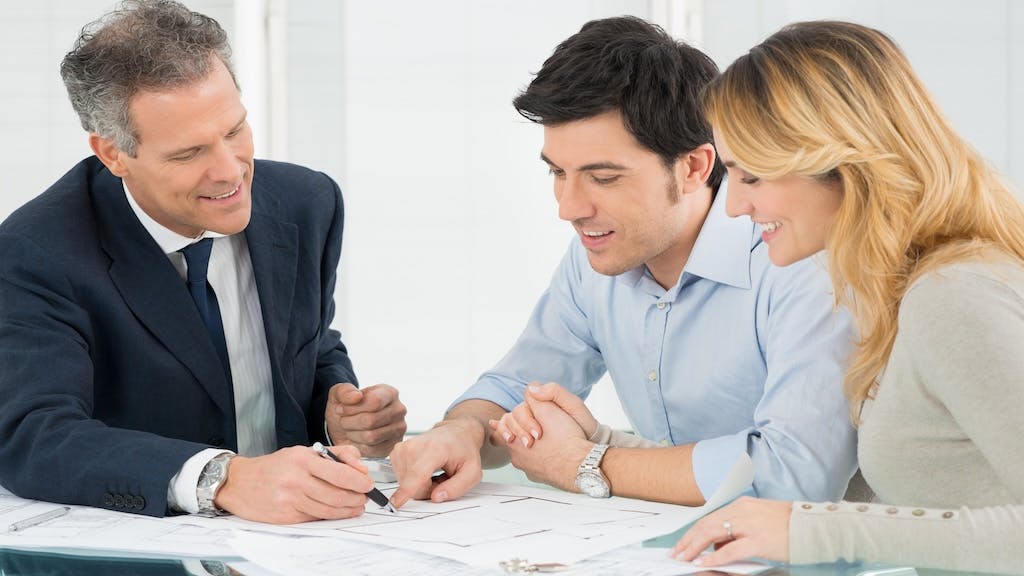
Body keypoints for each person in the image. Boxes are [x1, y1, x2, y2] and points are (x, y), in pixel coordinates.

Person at [389, 16, 857, 509]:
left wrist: (584, 463)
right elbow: (513, 387)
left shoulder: (799, 260)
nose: (569, 208)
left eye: (604, 178)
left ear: (695, 167)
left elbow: (794, 476)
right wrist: (460, 431)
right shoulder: (600, 252)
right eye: (557, 173)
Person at [0, 0, 407, 524]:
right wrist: (223, 479)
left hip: (301, 544)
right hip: (139, 547)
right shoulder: (37, 252)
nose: (229, 172)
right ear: (113, 154)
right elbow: (33, 435)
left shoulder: (308, 203)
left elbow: (308, 344)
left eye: (235, 131)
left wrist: (337, 413)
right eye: (188, 153)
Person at [671, 21, 1024, 574]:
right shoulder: (891, 288)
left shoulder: (953, 298)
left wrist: (816, 532)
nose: (734, 207)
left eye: (753, 177)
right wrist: (600, 445)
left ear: (844, 166)